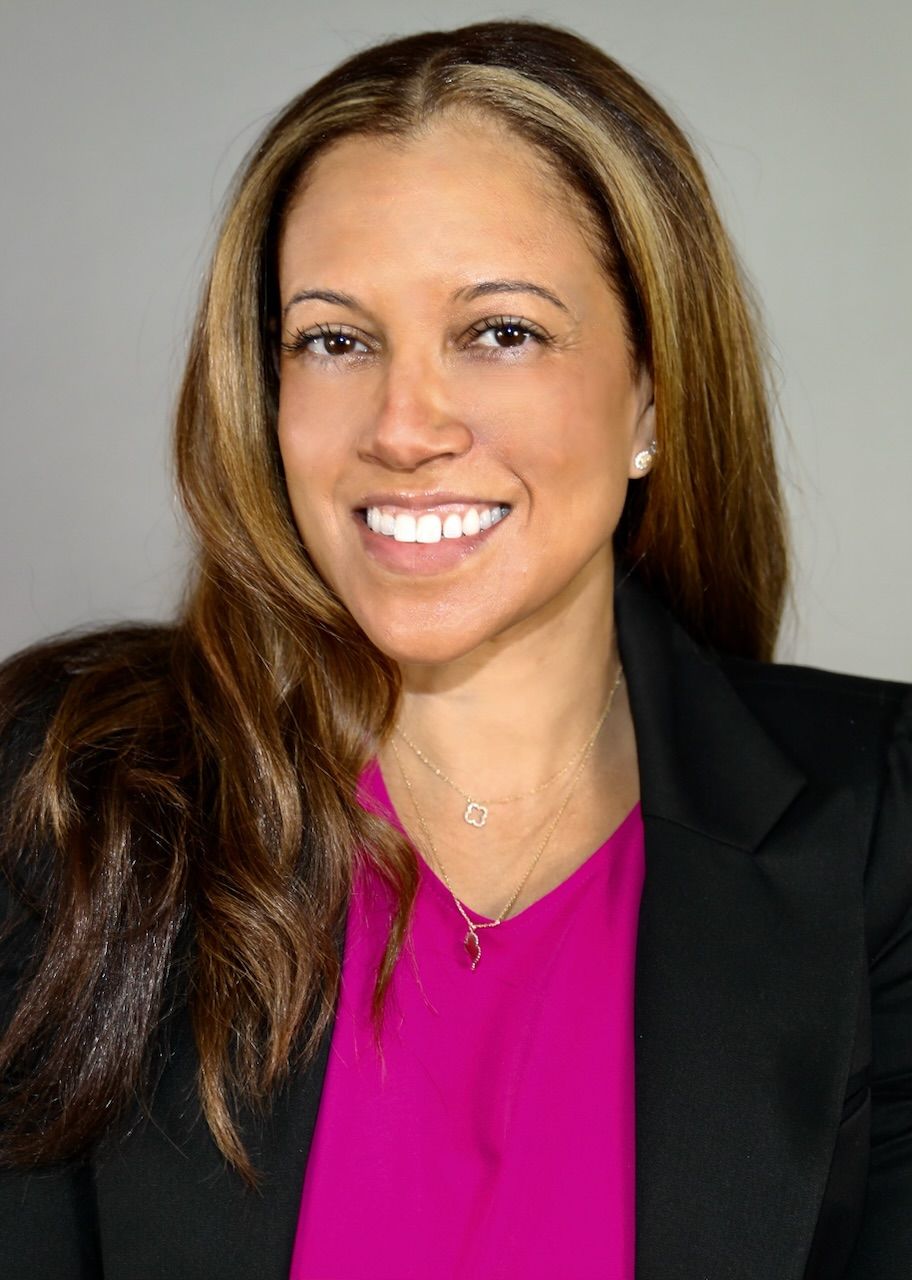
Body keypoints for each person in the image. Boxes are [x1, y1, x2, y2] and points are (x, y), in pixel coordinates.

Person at [0, 18, 908, 1280]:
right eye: (335, 339)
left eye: (500, 331)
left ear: (651, 392)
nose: (403, 425)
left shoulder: (882, 822)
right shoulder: (69, 790)